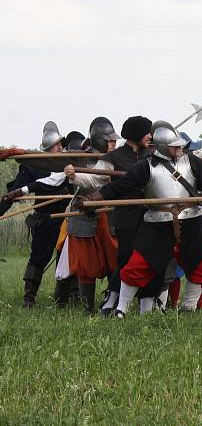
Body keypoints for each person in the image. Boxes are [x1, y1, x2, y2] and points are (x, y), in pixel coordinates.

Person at [79, 121, 202, 317]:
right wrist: (92, 198)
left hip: (192, 221)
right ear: (161, 146)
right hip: (157, 224)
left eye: (179, 145)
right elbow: (118, 187)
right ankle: (121, 310)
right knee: (136, 266)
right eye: (174, 145)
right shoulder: (144, 167)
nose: (179, 148)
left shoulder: (193, 162)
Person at [68, 116, 154, 315]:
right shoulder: (113, 158)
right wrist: (74, 175)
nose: (150, 136)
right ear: (136, 135)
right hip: (125, 217)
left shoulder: (151, 155)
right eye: (146, 132)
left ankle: (147, 303)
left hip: (150, 215)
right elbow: (93, 179)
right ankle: (113, 300)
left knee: (149, 259)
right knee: (125, 258)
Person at [0, 122, 71, 308]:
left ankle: (64, 300)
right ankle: (29, 299)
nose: (60, 147)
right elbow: (16, 191)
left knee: (67, 258)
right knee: (39, 257)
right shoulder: (34, 166)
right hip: (45, 219)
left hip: (66, 219)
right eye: (56, 145)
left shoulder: (68, 162)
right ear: (48, 148)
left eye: (61, 144)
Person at [63, 117, 121, 313]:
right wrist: (72, 173)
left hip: (107, 214)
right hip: (82, 214)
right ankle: (88, 309)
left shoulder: (113, 159)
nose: (113, 143)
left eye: (115, 140)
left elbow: (97, 177)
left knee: (115, 258)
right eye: (110, 140)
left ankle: (111, 301)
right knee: (85, 264)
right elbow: (87, 180)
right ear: (98, 139)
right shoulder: (80, 157)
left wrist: (76, 175)